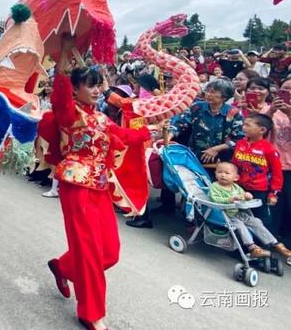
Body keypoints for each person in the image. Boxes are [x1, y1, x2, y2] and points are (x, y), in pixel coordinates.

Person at [43, 60, 152, 330]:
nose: (96, 90)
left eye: (98, 84)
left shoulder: (102, 118)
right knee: (90, 252)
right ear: (75, 88)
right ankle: (91, 313)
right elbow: (59, 99)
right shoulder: (69, 114)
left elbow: (125, 136)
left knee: (110, 253)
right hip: (76, 188)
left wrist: (150, 128)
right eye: (89, 85)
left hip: (100, 188)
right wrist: (63, 67)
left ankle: (64, 267)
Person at [208, 161, 291, 258]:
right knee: (240, 226)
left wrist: (247, 196)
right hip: (224, 215)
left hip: (237, 213)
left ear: (236, 177)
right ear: (215, 174)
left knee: (256, 221)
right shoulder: (215, 186)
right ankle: (252, 248)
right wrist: (229, 199)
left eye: (227, 173)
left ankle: (275, 244)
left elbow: (243, 196)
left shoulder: (236, 187)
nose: (223, 175)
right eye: (219, 172)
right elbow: (214, 199)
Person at [169, 78, 244, 169]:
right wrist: (169, 137)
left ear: (224, 97)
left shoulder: (234, 113)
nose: (208, 95)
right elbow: (180, 123)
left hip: (221, 159)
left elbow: (239, 139)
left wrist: (216, 149)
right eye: (207, 91)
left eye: (213, 92)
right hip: (195, 154)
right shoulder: (196, 107)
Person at [266, 76, 291, 238]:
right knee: (274, 205)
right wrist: (270, 111)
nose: (287, 92)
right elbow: (259, 130)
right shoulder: (272, 110)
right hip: (273, 166)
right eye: (284, 89)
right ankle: (271, 240)